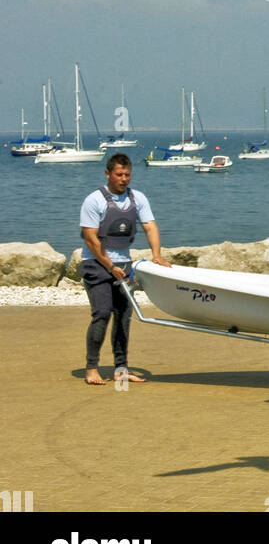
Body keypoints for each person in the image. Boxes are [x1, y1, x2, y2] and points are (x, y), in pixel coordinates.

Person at [79, 153, 170, 385]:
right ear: (108, 174)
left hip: (124, 265)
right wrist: (110, 266)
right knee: (102, 313)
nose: (123, 179)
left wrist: (156, 255)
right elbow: (90, 239)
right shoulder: (94, 200)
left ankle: (121, 369)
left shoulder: (137, 198)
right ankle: (92, 368)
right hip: (96, 264)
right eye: (119, 174)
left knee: (123, 317)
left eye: (127, 175)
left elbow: (150, 226)